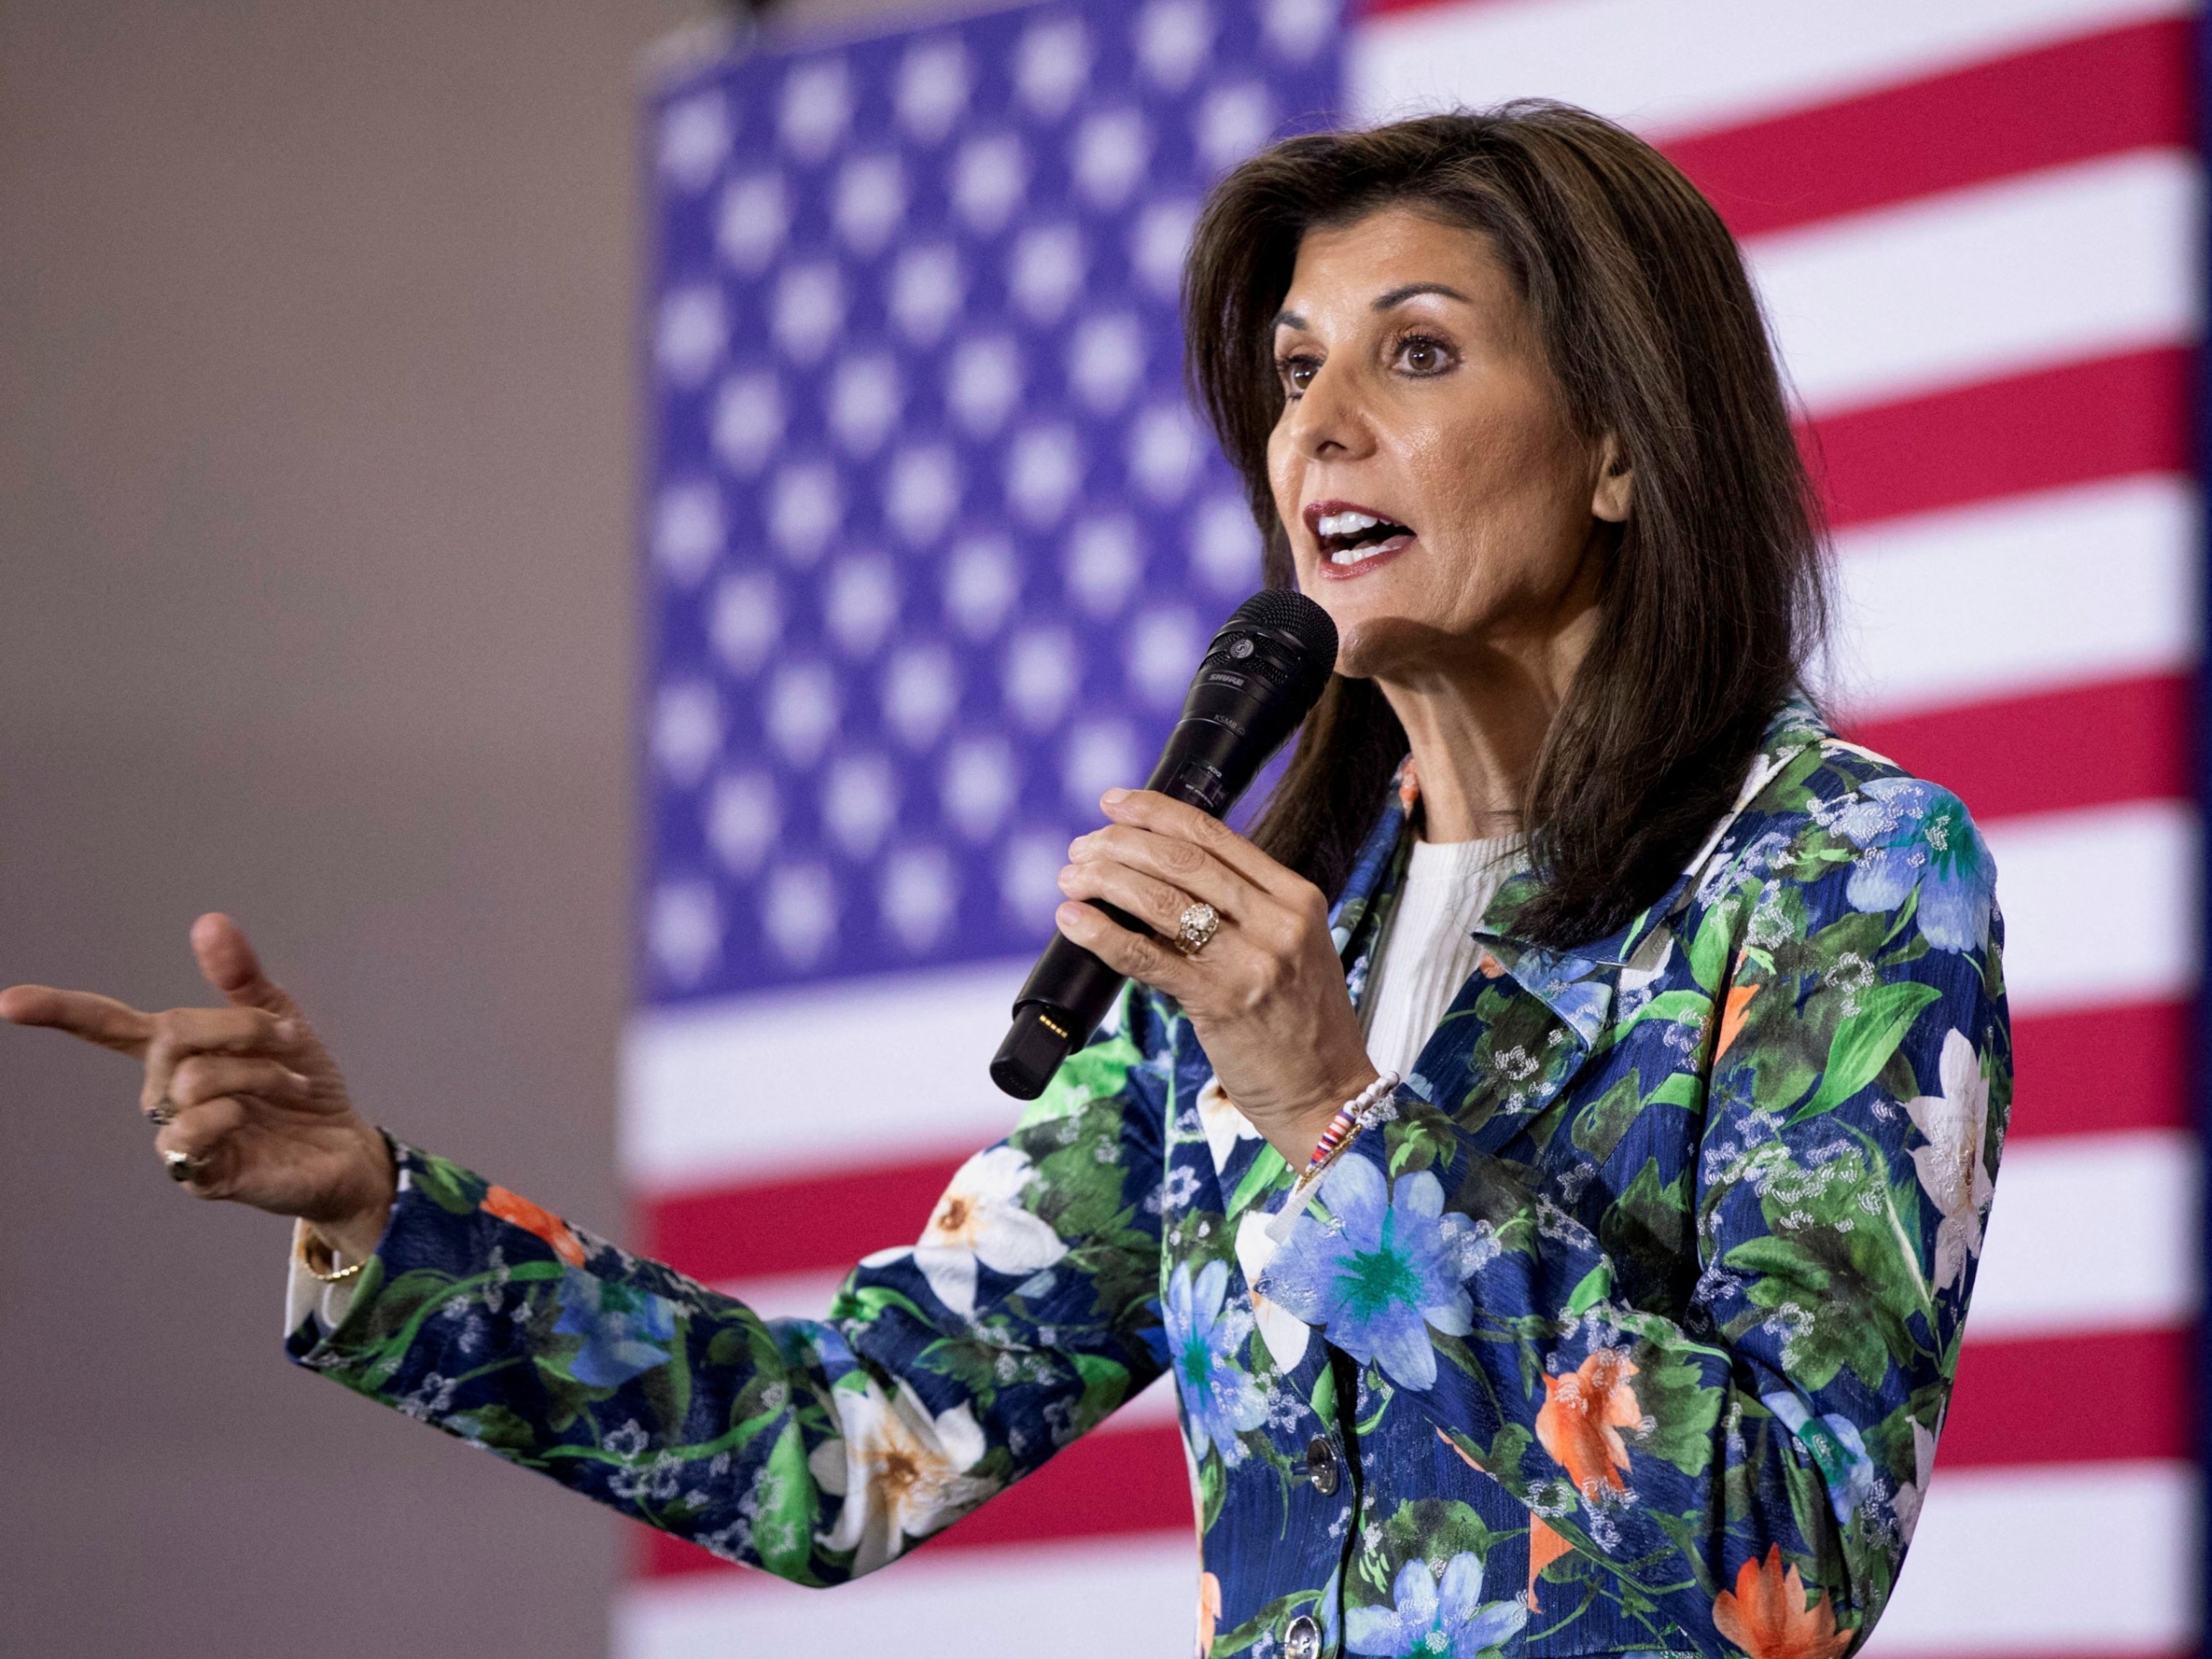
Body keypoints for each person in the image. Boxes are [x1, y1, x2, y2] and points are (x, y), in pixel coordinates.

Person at [3, 104, 2007, 1659]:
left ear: (1619, 449)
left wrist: (1333, 1117)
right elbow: (850, 1448)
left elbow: (1790, 1562)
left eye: (1416, 351)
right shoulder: (1262, 930)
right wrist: (380, 1215)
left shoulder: (1834, 873)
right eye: (1295, 367)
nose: (1318, 421)